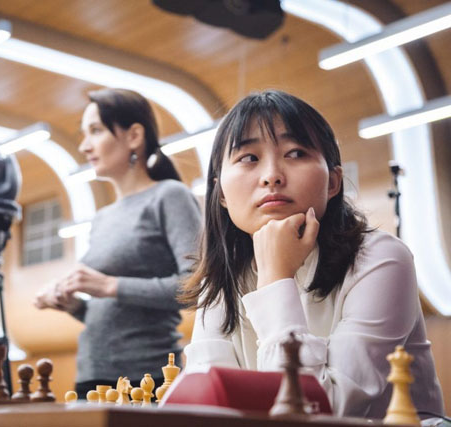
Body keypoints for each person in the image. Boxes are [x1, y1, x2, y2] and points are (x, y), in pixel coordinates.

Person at [181, 90, 444, 418]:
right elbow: (203, 404)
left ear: (333, 182)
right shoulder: (223, 277)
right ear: (220, 194)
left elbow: (321, 410)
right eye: (249, 158)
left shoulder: (382, 259)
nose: (272, 176)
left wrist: (275, 277)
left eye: (295, 153)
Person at [35, 88, 202, 398]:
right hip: (91, 375)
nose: (84, 146)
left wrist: (109, 285)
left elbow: (194, 287)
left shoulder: (169, 196)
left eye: (96, 131)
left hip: (147, 379)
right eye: (84, 134)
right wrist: (73, 306)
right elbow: (114, 310)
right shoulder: (101, 218)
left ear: (134, 135)